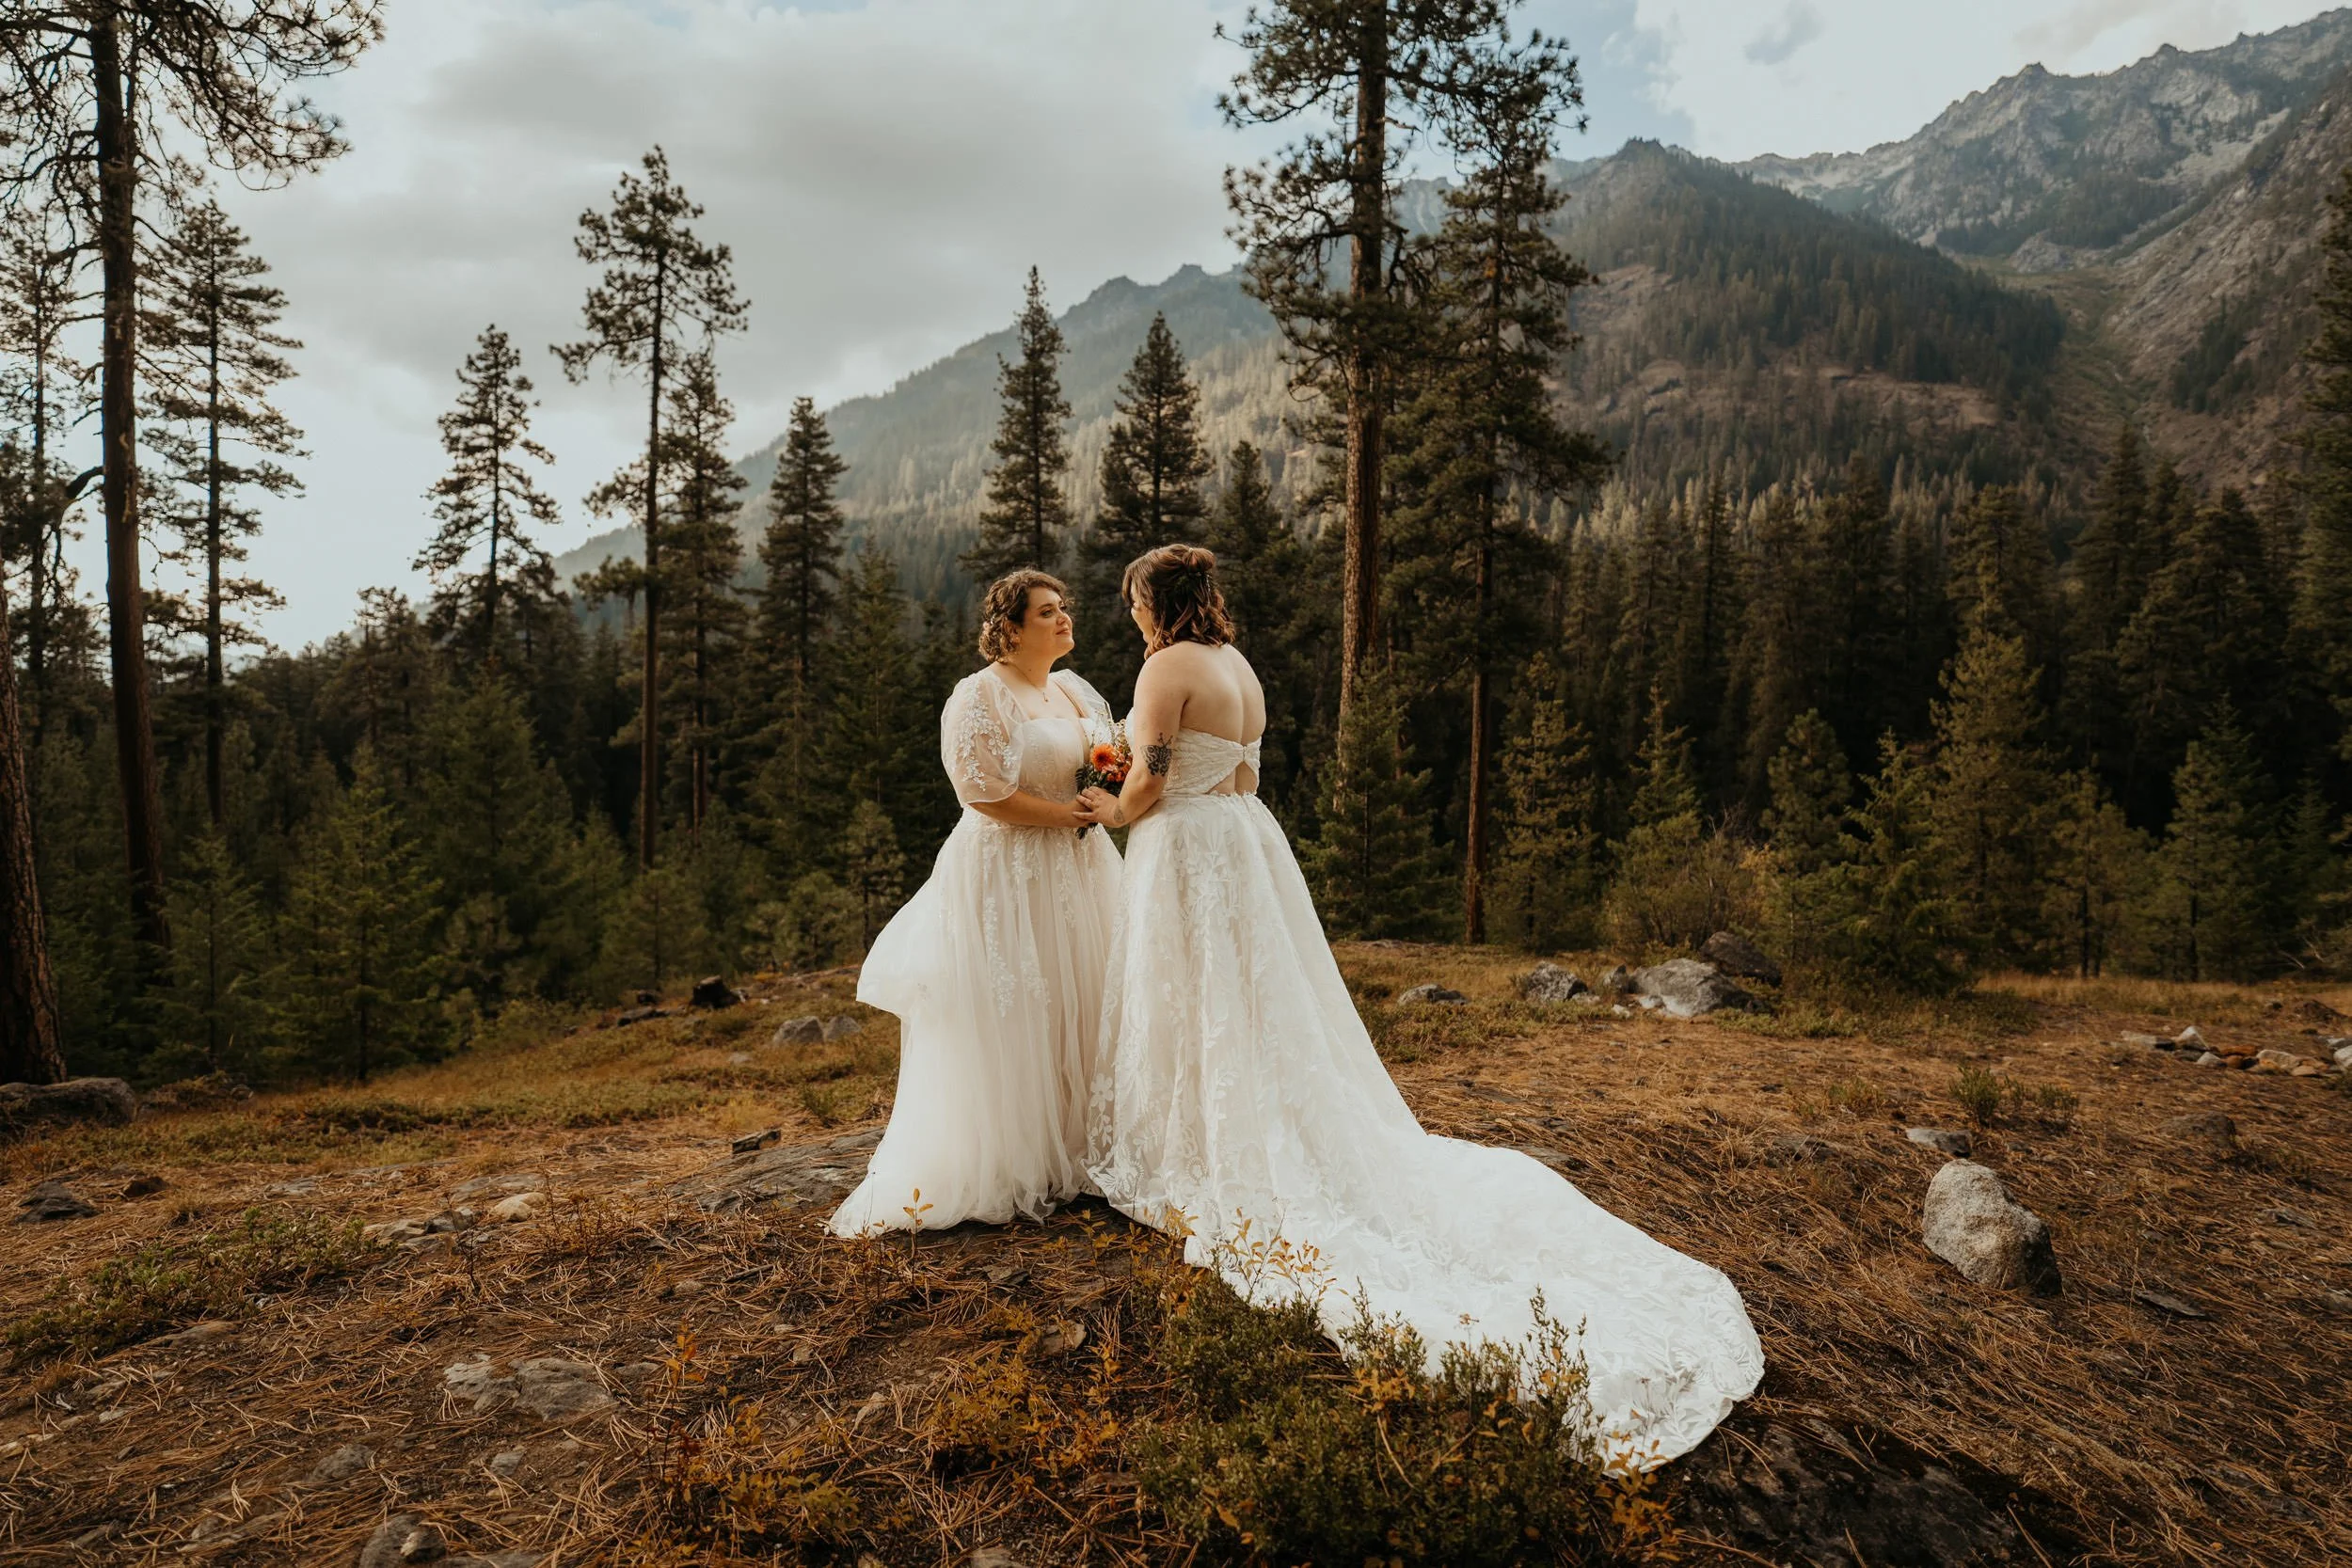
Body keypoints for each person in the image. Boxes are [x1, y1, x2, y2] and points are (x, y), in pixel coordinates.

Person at [1076, 544, 1762, 1468]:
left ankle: (1199, 1144)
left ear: (1154, 602)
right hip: (1246, 840)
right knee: (1250, 1005)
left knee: (1193, 999)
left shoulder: (1165, 668)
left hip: (1190, 850)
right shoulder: (1236, 665)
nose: (1132, 619)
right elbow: (1234, 770)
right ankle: (1231, 1124)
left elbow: (1151, 779)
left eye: (1133, 604)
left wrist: (1104, 805)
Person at [828, 570, 1121, 1236]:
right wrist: (1063, 817)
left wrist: (1105, 793)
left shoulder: (1072, 690)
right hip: (1011, 872)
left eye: (1065, 606)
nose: (1064, 618)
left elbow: (1107, 758)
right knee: (1024, 1003)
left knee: (1088, 995)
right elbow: (981, 793)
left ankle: (1084, 1147)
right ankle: (1020, 1156)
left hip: (1080, 868)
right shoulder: (979, 695)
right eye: (1049, 611)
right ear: (1011, 627)